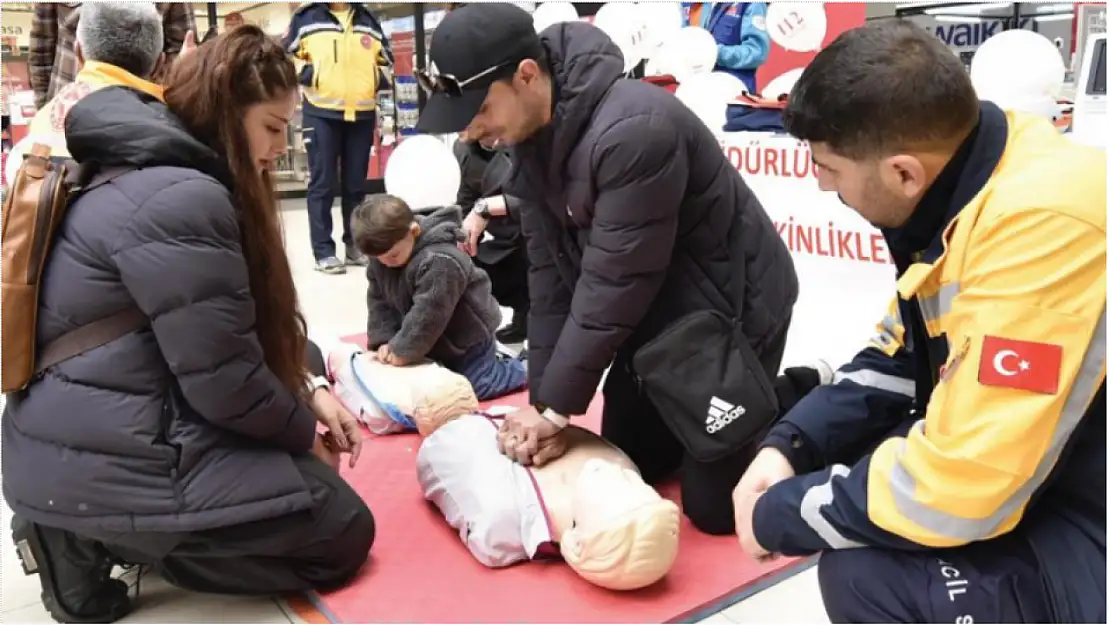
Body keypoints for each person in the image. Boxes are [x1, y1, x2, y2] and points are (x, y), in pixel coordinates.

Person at [731, 21, 1106, 624]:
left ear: (904, 172)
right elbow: (900, 355)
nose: (821, 184)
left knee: (865, 572)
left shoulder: (1044, 225)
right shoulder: (981, 178)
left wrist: (780, 513)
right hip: (1065, 478)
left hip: (1089, 525)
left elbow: (966, 481)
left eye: (827, 166)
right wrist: (791, 445)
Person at [3, 23, 374, 624]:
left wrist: (311, 388)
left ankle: (86, 525)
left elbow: (237, 327)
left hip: (95, 424)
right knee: (340, 529)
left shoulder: (158, 168)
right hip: (102, 450)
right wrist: (304, 431)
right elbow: (225, 381)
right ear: (229, 115)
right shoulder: (179, 197)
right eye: (273, 128)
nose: (280, 148)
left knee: (300, 478)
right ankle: (88, 538)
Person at [414, 3, 797, 536]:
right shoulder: (530, 142)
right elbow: (548, 284)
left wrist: (554, 413)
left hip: (728, 312)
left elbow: (611, 285)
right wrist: (545, 403)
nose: (472, 132)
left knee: (714, 512)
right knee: (629, 462)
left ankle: (796, 395)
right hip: (657, 316)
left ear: (526, 75)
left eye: (479, 111)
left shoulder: (634, 129)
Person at [352, 194, 528, 401]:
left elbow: (429, 313)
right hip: (428, 338)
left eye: (393, 256)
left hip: (468, 337)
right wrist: (385, 340)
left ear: (414, 231)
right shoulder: (382, 256)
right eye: (378, 259)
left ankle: (525, 367)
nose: (386, 263)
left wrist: (402, 350)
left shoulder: (441, 259)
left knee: (474, 387)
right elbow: (378, 300)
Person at [284, 2, 393, 275]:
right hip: (321, 112)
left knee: (356, 186)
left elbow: (386, 58)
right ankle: (324, 251)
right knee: (322, 184)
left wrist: (375, 78)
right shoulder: (306, 18)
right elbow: (285, 56)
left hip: (362, 113)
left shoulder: (368, 19)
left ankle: (356, 245)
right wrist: (307, 73)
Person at [19, 1, 198, 162]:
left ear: (78, 51)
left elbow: (180, 45)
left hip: (142, 123)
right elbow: (41, 49)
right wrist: (47, 108)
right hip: (65, 117)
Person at [29, 1, 196, 110]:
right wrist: (44, 109)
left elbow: (182, 48)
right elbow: (41, 47)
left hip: (142, 113)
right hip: (68, 109)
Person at [455, 136, 530, 345]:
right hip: (504, 241)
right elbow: (465, 201)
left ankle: (527, 317)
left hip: (541, 236)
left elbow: (548, 197)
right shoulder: (467, 150)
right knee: (460, 267)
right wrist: (460, 239)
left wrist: (487, 207)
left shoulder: (527, 138)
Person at [683, 2, 770, 94]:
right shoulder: (701, 5)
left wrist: (715, 52)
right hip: (701, 90)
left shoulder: (753, 4)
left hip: (733, 93)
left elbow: (757, 53)